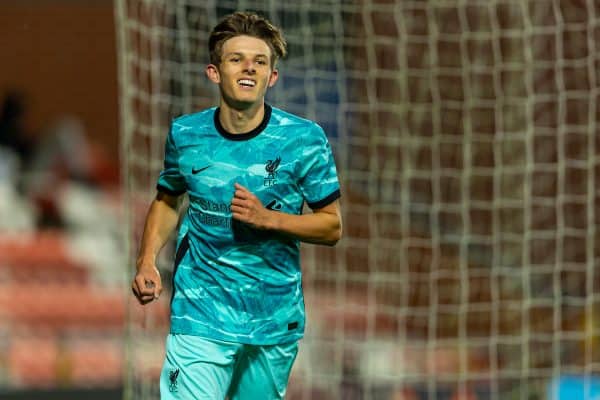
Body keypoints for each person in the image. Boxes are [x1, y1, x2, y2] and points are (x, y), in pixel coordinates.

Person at [131, 11, 342, 399]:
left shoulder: (305, 140)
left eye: (260, 61)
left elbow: (331, 227)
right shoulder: (186, 133)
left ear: (272, 77)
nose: (249, 68)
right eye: (236, 59)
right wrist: (146, 260)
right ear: (214, 72)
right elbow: (168, 197)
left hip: (273, 317)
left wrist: (269, 219)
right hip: (199, 313)